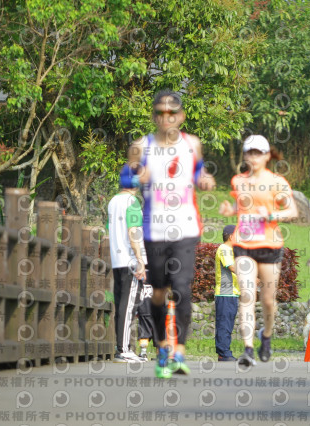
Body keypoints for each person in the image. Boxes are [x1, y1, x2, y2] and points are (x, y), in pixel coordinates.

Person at [123, 89, 216, 378]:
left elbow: (199, 171)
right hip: (154, 229)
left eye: (172, 113)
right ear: (154, 116)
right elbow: (125, 177)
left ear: (181, 115)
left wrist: (205, 179)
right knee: (161, 292)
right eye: (161, 114)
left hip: (186, 227)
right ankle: (163, 347)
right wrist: (137, 177)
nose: (167, 118)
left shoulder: (192, 144)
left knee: (182, 289)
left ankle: (180, 352)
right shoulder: (142, 146)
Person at [219, 135, 298, 367]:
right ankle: (248, 349)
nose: (253, 157)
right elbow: (242, 205)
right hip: (244, 244)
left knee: (268, 300)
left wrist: (272, 216)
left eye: (258, 152)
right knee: (246, 295)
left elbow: (291, 210)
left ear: (266, 156)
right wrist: (230, 208)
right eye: (249, 152)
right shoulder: (238, 181)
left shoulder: (277, 181)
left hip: (269, 245)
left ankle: (266, 335)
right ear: (245, 155)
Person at [108, 176, 148, 363]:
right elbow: (133, 231)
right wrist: (140, 260)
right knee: (130, 304)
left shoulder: (113, 201)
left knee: (123, 304)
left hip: (117, 259)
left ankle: (123, 347)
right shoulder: (132, 202)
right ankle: (123, 349)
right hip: (130, 260)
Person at [214, 225, 240, 362]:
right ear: (231, 236)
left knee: (228, 324)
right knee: (224, 324)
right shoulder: (224, 249)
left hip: (232, 293)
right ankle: (223, 353)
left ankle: (224, 351)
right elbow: (231, 267)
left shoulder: (231, 250)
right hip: (225, 293)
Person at [135, 280, 155, 360]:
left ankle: (143, 353)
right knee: (159, 332)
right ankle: (160, 354)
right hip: (158, 309)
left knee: (144, 331)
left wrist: (136, 310)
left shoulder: (138, 278)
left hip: (143, 308)